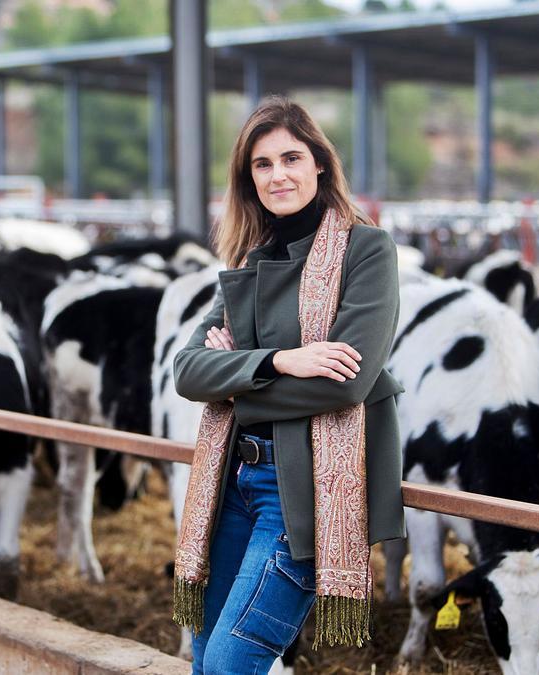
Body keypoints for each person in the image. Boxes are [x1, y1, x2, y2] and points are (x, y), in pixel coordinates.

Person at [171, 96, 405, 674]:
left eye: (291, 158)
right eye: (263, 164)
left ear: (319, 164)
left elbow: (346, 386)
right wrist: (281, 361)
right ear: (248, 178)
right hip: (232, 485)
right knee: (204, 661)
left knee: (231, 663)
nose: (279, 175)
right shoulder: (250, 259)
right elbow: (187, 371)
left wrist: (239, 379)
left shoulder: (366, 251)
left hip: (303, 495)